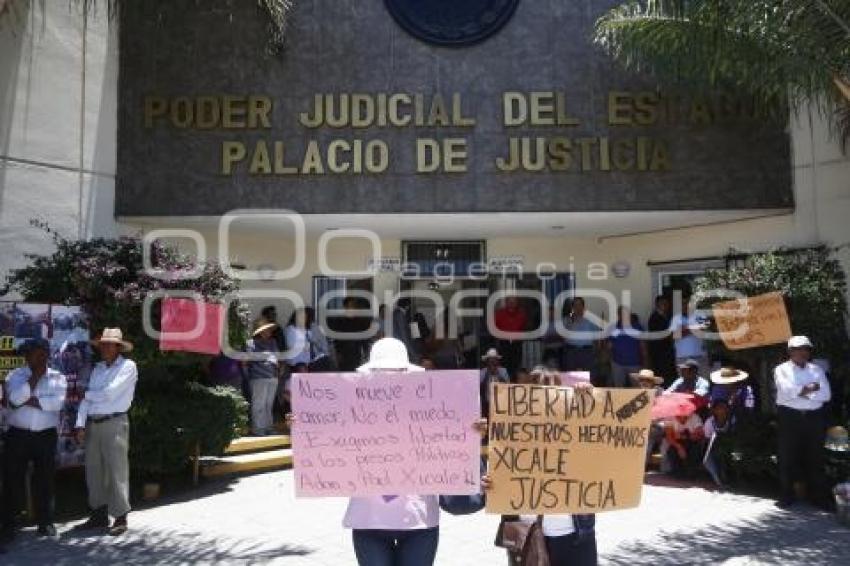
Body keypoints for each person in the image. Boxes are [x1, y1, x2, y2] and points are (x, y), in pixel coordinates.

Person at [342, 337, 482, 566]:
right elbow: (327, 446)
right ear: (371, 374)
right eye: (382, 371)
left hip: (419, 520)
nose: (389, 377)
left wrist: (472, 430)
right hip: (369, 520)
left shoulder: (431, 408)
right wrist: (303, 425)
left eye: (396, 371)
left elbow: (454, 443)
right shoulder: (352, 410)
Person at [485, 367, 597, 566]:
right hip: (527, 534)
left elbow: (605, 444)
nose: (546, 398)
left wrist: (591, 401)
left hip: (572, 534)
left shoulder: (576, 428)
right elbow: (499, 474)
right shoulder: (512, 432)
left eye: (553, 390)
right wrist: (489, 483)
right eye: (538, 390)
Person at [1, 338, 67, 542]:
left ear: (46, 355)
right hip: (17, 435)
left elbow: (57, 403)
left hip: (45, 436)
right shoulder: (15, 375)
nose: (35, 358)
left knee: (45, 479)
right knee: (12, 480)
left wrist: (31, 400)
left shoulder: (58, 377)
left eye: (39, 354)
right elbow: (14, 400)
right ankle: (8, 525)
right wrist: (34, 379)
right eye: (31, 354)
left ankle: (45, 522)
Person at [74, 328, 138, 536]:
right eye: (102, 344)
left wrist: (89, 394)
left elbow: (110, 394)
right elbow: (87, 399)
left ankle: (120, 516)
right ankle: (98, 514)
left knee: (116, 469)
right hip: (94, 423)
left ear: (118, 347)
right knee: (93, 471)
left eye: (109, 344)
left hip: (114, 422)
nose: (104, 347)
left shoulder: (128, 366)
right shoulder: (98, 368)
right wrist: (80, 424)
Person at [774, 335, 832, 509]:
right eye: (798, 349)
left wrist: (800, 391)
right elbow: (786, 391)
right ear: (790, 351)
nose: (803, 352)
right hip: (789, 417)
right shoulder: (781, 369)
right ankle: (786, 496)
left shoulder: (817, 370)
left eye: (806, 348)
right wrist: (811, 389)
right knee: (787, 457)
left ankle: (819, 498)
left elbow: (826, 395)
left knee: (815, 458)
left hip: (813, 418)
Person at [245, 320, 283, 436]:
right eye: (266, 330)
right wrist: (266, 356)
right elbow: (249, 358)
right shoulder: (251, 343)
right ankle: (258, 429)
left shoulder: (273, 342)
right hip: (258, 376)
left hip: (272, 376)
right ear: (260, 332)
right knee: (258, 404)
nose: (269, 332)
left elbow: (277, 357)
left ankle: (268, 427)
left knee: (268, 404)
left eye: (269, 330)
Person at [606, 306, 647, 387]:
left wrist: (645, 361)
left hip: (634, 364)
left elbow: (643, 345)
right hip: (617, 364)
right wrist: (610, 361)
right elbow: (609, 346)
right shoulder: (614, 328)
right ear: (618, 315)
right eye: (621, 314)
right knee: (618, 389)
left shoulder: (637, 327)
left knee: (637, 389)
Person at [670, 299, 709, 379]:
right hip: (682, 357)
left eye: (687, 304)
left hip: (700, 356)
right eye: (683, 305)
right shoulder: (676, 318)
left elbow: (704, 329)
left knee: (702, 381)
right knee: (683, 382)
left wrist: (684, 329)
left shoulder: (700, 315)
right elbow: (675, 335)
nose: (685, 307)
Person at [661, 410, 705, 478]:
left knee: (695, 449)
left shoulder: (695, 417)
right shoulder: (669, 418)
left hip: (691, 442)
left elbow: (700, 434)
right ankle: (677, 472)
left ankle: (691, 472)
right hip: (675, 443)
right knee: (671, 451)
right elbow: (669, 437)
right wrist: (679, 447)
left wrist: (692, 435)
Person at [703, 398, 735, 488]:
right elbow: (707, 439)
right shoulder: (709, 422)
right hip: (712, 448)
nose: (722, 410)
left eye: (725, 408)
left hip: (729, 446)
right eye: (719, 408)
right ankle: (720, 480)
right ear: (714, 410)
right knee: (715, 457)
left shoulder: (732, 420)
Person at [647, 294, 676, 386]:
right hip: (659, 353)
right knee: (661, 376)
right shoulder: (654, 318)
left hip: (667, 352)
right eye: (663, 303)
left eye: (666, 303)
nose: (666, 305)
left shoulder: (667, 316)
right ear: (658, 304)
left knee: (668, 375)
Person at [493, 296, 527, 376]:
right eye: (510, 301)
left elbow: (523, 326)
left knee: (516, 364)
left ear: (517, 303)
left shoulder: (521, 314)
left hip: (516, 343)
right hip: (503, 342)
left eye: (513, 302)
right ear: (506, 302)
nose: (511, 304)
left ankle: (514, 382)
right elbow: (495, 326)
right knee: (504, 364)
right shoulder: (499, 313)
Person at [564, 297, 600, 373]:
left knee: (589, 377)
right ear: (572, 307)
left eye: (579, 304)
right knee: (571, 377)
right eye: (575, 305)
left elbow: (597, 337)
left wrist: (596, 351)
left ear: (583, 306)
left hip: (587, 352)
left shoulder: (591, 320)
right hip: (571, 352)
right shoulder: (567, 320)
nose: (578, 307)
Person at [479, 348, 510, 417]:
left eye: (494, 360)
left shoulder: (503, 371)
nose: (492, 362)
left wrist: (497, 373)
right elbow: (478, 385)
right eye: (490, 360)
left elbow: (508, 385)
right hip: (487, 403)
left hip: (500, 403)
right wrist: (487, 373)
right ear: (487, 361)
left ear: (497, 361)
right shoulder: (483, 372)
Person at [304, 307, 335, 372]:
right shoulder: (299, 328)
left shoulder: (316, 328)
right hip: (307, 361)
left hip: (319, 359)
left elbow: (324, 348)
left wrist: (312, 340)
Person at [541, 305, 564, 370]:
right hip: (548, 350)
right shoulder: (544, 325)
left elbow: (563, 338)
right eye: (550, 313)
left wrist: (551, 337)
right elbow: (544, 339)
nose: (551, 314)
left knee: (560, 370)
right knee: (547, 370)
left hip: (560, 350)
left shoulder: (561, 324)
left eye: (553, 313)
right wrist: (556, 336)